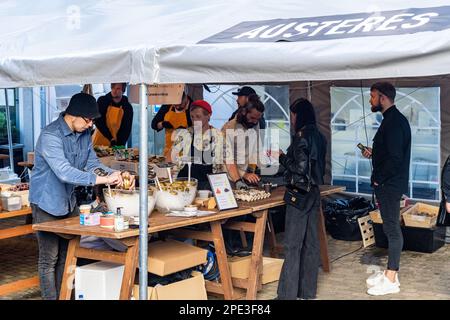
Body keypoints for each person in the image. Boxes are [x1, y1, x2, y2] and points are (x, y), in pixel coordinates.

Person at [29, 93, 133, 300]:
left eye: (93, 120)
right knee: (49, 259)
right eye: (88, 119)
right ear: (73, 115)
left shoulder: (85, 134)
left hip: (68, 202)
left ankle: (63, 296)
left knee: (67, 256)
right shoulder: (50, 136)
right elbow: (65, 172)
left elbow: (92, 164)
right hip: (46, 202)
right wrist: (102, 181)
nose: (90, 124)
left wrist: (113, 175)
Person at [361, 82, 411, 296]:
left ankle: (391, 277)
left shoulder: (394, 122)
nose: (370, 100)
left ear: (383, 98)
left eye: (372, 96)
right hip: (389, 183)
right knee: (391, 228)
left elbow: (396, 158)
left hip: (389, 184)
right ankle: (392, 275)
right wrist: (374, 153)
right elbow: (390, 153)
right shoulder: (392, 120)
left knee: (392, 229)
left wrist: (378, 180)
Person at [276, 98, 327, 300]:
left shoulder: (301, 136)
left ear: (299, 115)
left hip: (299, 193)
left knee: (292, 246)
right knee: (312, 244)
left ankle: (287, 296)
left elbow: (300, 168)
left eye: (293, 115)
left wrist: (282, 157)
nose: (292, 119)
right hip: (314, 192)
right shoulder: (320, 136)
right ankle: (307, 293)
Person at [169, 100, 224, 190]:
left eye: (198, 116)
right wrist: (170, 174)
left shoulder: (218, 136)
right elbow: (170, 156)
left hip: (208, 185)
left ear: (209, 115)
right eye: (192, 117)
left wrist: (237, 180)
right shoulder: (186, 133)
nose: (194, 120)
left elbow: (229, 162)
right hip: (185, 184)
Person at [222, 97, 265, 189]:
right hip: (229, 177)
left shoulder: (255, 124)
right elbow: (227, 159)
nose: (255, 122)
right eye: (252, 118)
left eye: (258, 119)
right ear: (244, 112)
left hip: (246, 175)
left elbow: (255, 149)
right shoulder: (229, 127)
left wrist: (253, 171)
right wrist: (241, 176)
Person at [151, 92, 192, 158]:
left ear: (185, 98)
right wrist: (163, 124)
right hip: (169, 151)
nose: (177, 106)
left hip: (187, 153)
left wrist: (187, 130)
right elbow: (154, 124)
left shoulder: (193, 107)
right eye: (175, 105)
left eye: (180, 104)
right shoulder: (167, 105)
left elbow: (199, 131)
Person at [92, 83, 134, 147]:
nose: (114, 91)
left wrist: (120, 144)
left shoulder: (127, 107)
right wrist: (111, 138)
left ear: (123, 90)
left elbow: (126, 128)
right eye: (113, 88)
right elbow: (98, 121)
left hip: (117, 142)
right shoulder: (102, 101)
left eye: (118, 88)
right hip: (100, 139)